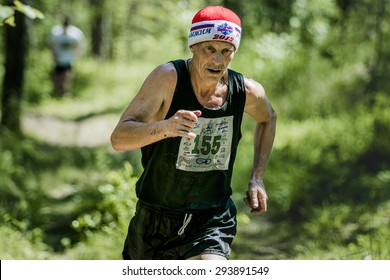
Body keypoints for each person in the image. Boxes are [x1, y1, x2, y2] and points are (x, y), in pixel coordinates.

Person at [110, 6, 276, 260]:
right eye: (209, 49)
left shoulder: (246, 91)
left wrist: (257, 177)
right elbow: (119, 138)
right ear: (194, 47)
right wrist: (165, 127)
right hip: (156, 217)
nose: (217, 60)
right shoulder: (167, 79)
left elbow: (268, 118)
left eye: (226, 51)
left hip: (211, 217)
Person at [47, 16, 86, 97]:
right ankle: (58, 92)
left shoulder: (75, 33)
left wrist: (77, 54)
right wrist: (52, 53)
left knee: (66, 77)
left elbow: (82, 44)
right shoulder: (56, 32)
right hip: (58, 59)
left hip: (68, 59)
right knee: (58, 77)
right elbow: (49, 43)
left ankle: (65, 93)